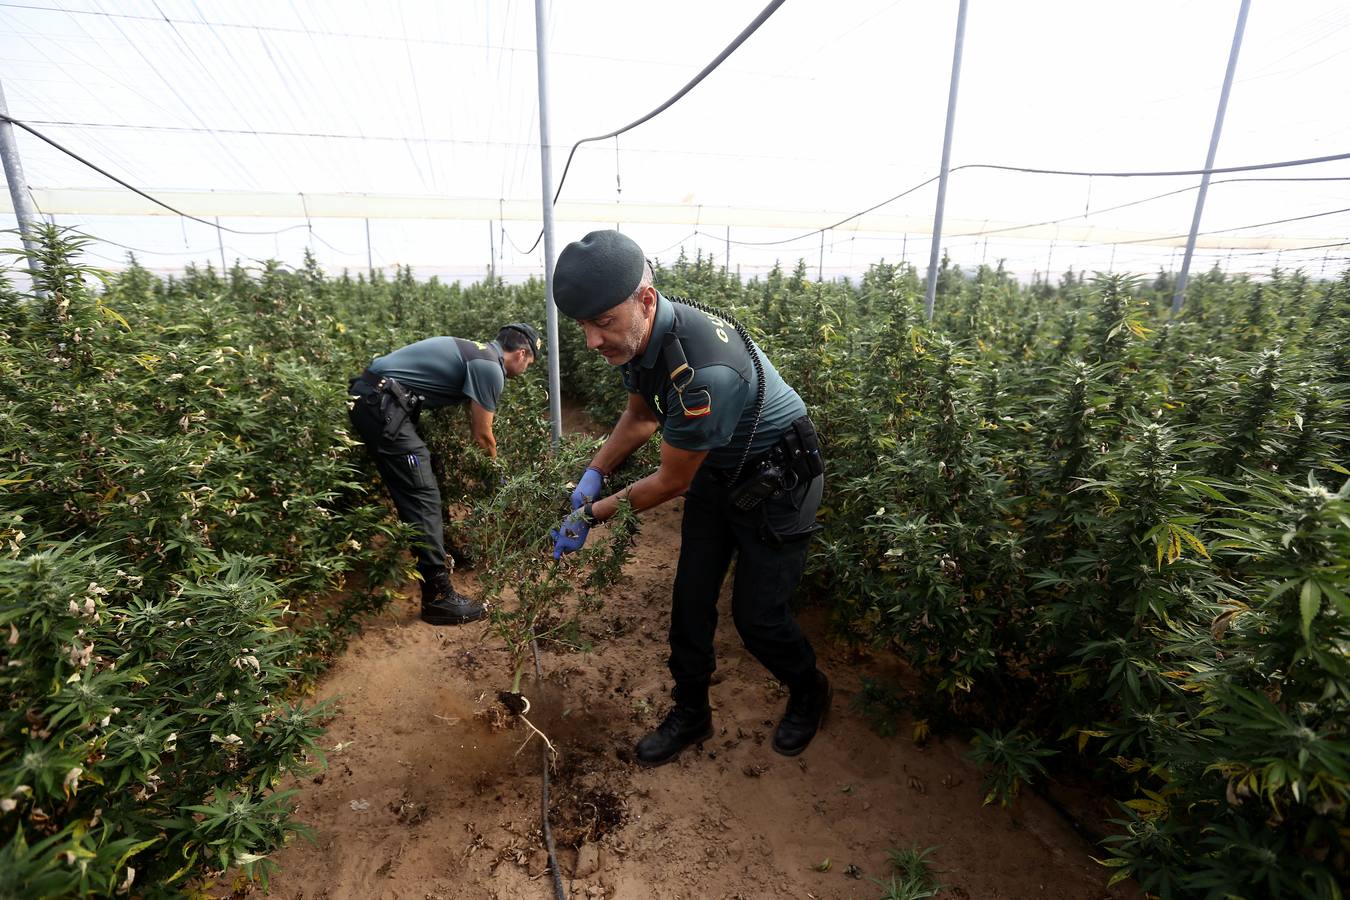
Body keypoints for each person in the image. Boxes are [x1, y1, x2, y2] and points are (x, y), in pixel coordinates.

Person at [547, 230, 829, 766]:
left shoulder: (704, 374)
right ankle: (692, 713)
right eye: (582, 326)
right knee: (690, 602)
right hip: (718, 472)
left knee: (759, 619)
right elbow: (643, 414)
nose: (590, 340)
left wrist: (592, 514)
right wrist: (594, 472)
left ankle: (810, 689)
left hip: (778, 481)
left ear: (645, 300)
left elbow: (671, 482)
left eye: (602, 322)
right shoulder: (644, 339)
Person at [348, 323, 538, 625]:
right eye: (530, 362)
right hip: (381, 403)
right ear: (522, 353)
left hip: (375, 397)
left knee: (422, 478)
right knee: (422, 493)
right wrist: (499, 476)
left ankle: (442, 560)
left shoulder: (478, 353)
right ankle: (439, 599)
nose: (527, 367)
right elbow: (482, 435)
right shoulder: (491, 367)